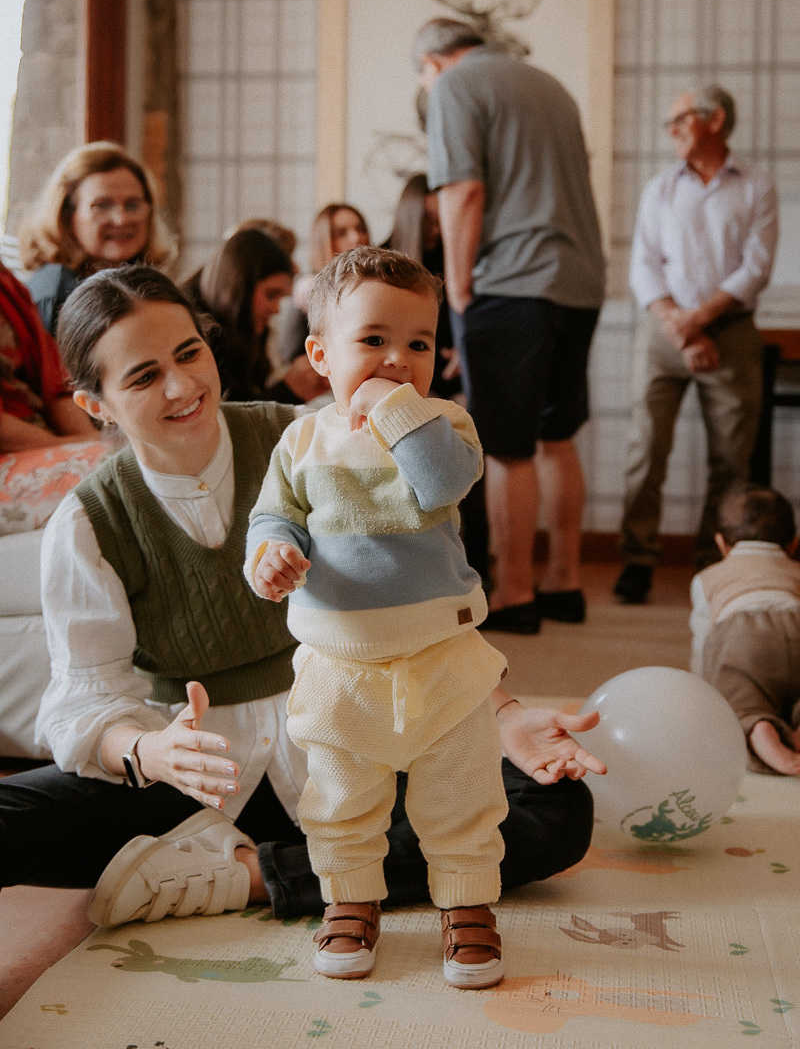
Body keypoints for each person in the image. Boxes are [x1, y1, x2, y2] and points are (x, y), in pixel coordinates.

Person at [0, 263, 603, 939]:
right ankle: (282, 864)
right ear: (97, 405)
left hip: (349, 737)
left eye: (189, 354)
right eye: (143, 377)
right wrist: (149, 751)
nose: (182, 387)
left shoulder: (313, 439)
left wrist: (503, 715)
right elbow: (85, 700)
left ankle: (247, 876)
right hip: (194, 781)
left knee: (555, 810)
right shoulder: (86, 523)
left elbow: (413, 600)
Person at [248, 247, 563, 988]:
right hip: (339, 663)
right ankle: (351, 901)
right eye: (373, 341)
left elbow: (441, 483)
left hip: (440, 656)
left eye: (418, 344)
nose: (397, 360)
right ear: (320, 356)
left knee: (462, 794)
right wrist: (268, 555)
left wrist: (393, 408)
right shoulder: (302, 440)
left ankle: (467, 905)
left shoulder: (444, 423)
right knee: (341, 799)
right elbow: (274, 515)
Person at [415, 18, 606, 633]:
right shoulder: (551, 86)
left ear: (433, 63)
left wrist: (457, 290)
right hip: (579, 281)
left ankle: (516, 594)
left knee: (506, 446)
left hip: (511, 285)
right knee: (557, 437)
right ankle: (565, 584)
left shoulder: (455, 86)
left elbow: (463, 192)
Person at [615, 86, 778, 604]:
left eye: (681, 119)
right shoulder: (660, 187)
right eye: (670, 122)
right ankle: (638, 559)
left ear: (716, 119)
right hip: (663, 332)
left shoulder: (757, 185)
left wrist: (699, 322)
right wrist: (681, 326)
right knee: (646, 449)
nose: (672, 130)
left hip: (731, 333)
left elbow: (756, 268)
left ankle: (715, 562)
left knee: (731, 458)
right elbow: (643, 267)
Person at [691, 483, 800, 775]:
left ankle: (762, 731)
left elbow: (703, 643)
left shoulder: (707, 577)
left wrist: (704, 689)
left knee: (740, 703)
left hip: (741, 634)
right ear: (793, 544)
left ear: (721, 543)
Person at [18, 141, 176, 335]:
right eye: (102, 205)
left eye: (132, 205)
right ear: (66, 216)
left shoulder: (143, 287)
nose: (121, 219)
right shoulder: (55, 292)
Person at [182, 226, 328, 404]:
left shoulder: (247, 332)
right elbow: (224, 413)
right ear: (238, 288)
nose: (276, 309)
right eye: (271, 295)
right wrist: (288, 390)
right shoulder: (192, 332)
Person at [0, 262, 99, 452]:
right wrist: (75, 444)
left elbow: (54, 384)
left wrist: (92, 440)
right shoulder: (54, 280)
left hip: (46, 436)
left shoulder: (6, 282)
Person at [387, 173, 459, 400]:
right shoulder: (382, 262)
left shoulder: (453, 262)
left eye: (440, 220)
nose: (436, 230)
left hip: (448, 373)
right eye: (428, 220)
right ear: (411, 217)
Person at [280, 203, 370, 364]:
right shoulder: (309, 285)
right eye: (341, 233)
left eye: (360, 229)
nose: (356, 237)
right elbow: (291, 354)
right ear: (324, 241)